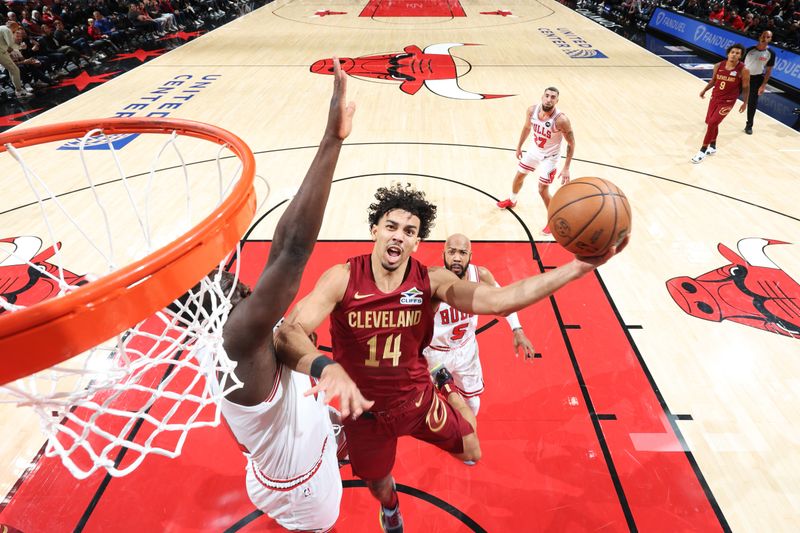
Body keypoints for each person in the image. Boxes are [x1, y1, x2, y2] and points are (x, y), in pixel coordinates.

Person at [276, 184, 628, 533]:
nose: (398, 236)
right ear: (375, 231)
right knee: (379, 485)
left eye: (409, 231)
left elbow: (499, 300)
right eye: (391, 226)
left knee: (473, 451)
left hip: (417, 401)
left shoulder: (432, 281)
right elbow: (289, 331)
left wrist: (577, 268)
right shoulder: (343, 278)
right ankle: (391, 507)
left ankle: (447, 387)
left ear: (417, 243)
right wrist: (326, 366)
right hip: (365, 413)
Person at [171, 60, 361, 532]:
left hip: (285, 465)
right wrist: (332, 139)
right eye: (216, 280)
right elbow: (292, 253)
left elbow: (278, 253)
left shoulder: (235, 334)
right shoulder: (237, 340)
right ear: (210, 308)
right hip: (302, 491)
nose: (228, 276)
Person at [423, 233, 535, 417]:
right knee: (426, 400)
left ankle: (467, 431)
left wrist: (517, 329)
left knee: (472, 400)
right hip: (435, 354)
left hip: (466, 350)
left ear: (470, 255)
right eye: (451, 252)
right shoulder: (432, 279)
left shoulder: (480, 275)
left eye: (462, 252)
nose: (457, 257)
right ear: (443, 254)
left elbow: (504, 300)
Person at [496, 87, 576, 235]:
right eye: (547, 96)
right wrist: (519, 146)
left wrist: (566, 168)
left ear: (557, 101)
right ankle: (512, 201)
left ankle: (553, 221)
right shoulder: (532, 110)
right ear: (542, 96)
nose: (549, 99)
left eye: (553, 97)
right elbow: (527, 127)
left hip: (550, 157)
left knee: (542, 189)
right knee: (519, 175)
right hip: (534, 151)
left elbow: (571, 143)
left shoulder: (561, 120)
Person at [691, 43, 749, 163]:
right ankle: (713, 146)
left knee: (712, 123)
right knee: (710, 122)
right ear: (728, 53)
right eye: (732, 52)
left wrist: (745, 102)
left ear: (740, 56)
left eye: (737, 53)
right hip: (715, 98)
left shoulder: (743, 70)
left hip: (727, 102)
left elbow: (746, 87)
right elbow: (713, 81)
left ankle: (702, 151)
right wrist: (704, 90)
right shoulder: (718, 65)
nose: (734, 54)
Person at [743, 30, 775, 135]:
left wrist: (763, 85)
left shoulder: (771, 53)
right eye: (763, 35)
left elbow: (769, 70)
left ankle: (749, 125)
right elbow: (739, 64)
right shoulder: (749, 50)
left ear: (770, 39)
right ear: (760, 36)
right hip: (743, 77)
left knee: (752, 103)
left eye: (768, 37)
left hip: (756, 79)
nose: (765, 38)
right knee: (728, 95)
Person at [0, 21, 32, 99]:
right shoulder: (7, 30)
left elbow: (6, 45)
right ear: (14, 26)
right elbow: (10, 45)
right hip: (1, 53)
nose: (15, 31)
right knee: (15, 70)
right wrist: (21, 47)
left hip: (2, 52)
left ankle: (18, 90)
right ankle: (19, 92)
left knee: (13, 70)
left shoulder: (1, 28)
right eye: (16, 29)